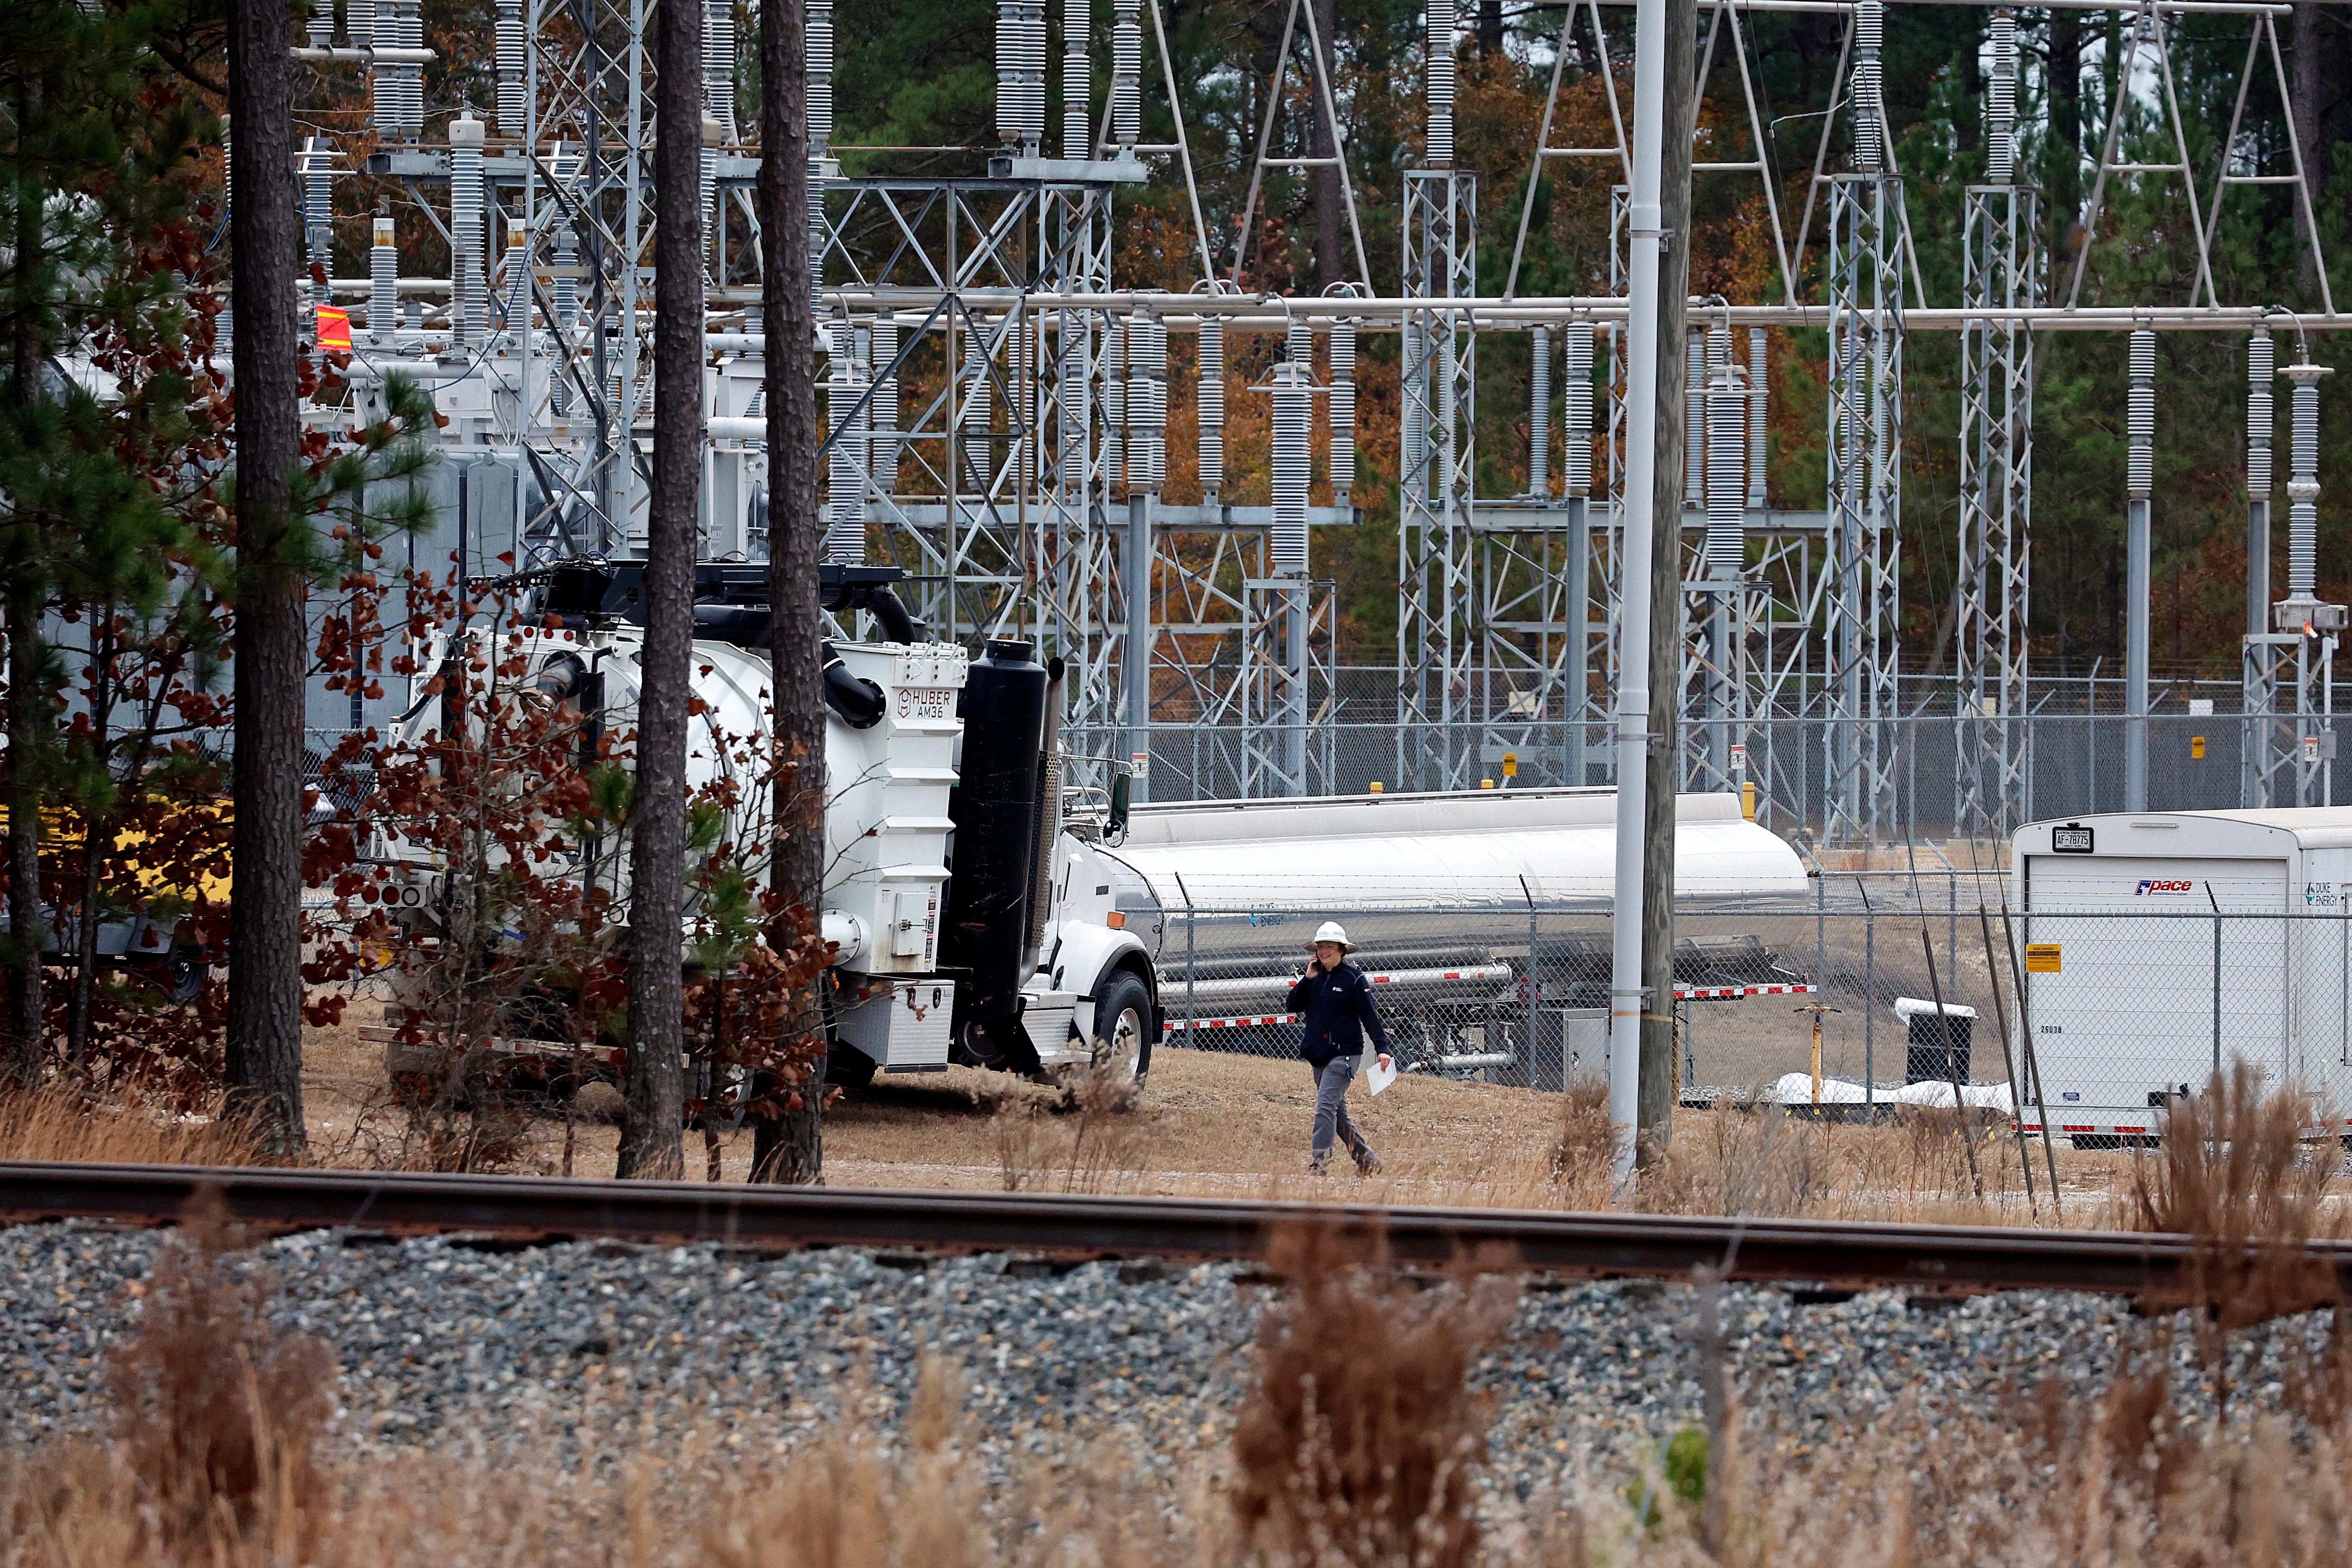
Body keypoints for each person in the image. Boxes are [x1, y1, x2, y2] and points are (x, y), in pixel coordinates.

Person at [1285, 920, 1393, 1176]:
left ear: (1342, 950)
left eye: (1330, 948)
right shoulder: (1314, 978)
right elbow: (1292, 1005)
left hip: (1345, 1054)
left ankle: (1319, 1166)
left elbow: (1371, 1017)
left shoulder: (1354, 980)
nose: (1324, 952)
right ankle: (1366, 1159)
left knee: (1324, 1109)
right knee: (1338, 1114)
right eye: (1320, 947)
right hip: (1318, 1056)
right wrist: (1307, 979)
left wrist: (1382, 1048)